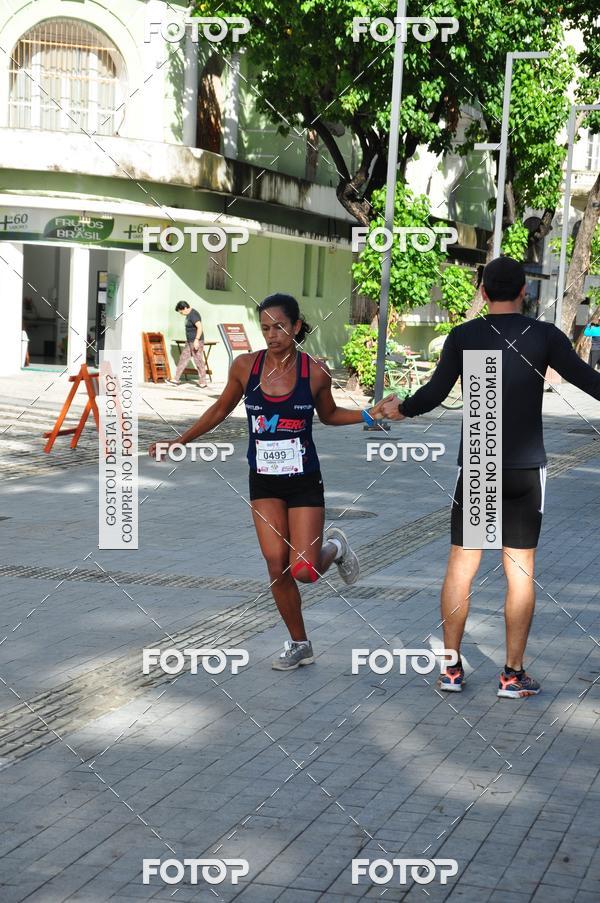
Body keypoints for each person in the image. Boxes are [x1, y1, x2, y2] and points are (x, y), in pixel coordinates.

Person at [379, 256, 600, 699]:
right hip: (523, 470)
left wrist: (398, 407)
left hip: (480, 462)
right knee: (519, 570)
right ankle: (512, 675)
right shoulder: (543, 336)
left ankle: (451, 670)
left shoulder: (466, 336)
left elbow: (434, 393)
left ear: (482, 292)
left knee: (463, 563)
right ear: (524, 292)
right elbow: (590, 382)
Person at [150, 293, 383, 671]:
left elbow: (329, 415)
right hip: (264, 482)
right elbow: (219, 410)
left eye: (278, 327)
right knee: (276, 565)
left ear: (294, 327)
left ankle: (335, 548)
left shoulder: (315, 372)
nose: (271, 335)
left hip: (304, 481)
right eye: (265, 328)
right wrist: (180, 441)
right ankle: (299, 642)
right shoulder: (245, 367)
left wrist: (369, 416)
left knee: (304, 570)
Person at [166, 301, 208, 387]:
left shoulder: (193, 315)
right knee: (183, 359)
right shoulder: (188, 315)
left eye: (181, 312)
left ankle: (203, 382)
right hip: (189, 342)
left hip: (196, 341)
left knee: (198, 360)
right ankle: (176, 379)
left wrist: (196, 340)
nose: (181, 314)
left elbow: (200, 327)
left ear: (185, 308)